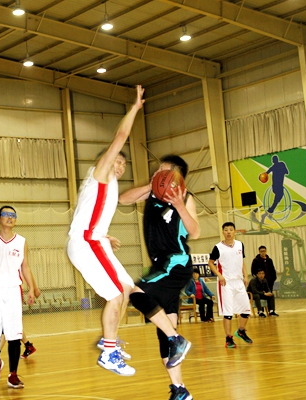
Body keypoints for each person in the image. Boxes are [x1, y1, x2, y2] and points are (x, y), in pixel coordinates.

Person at [67, 86, 145, 377]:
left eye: (124, 163)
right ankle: (109, 354)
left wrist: (104, 235)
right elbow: (121, 136)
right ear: (107, 160)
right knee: (114, 296)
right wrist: (135, 108)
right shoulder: (101, 172)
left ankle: (108, 340)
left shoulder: (110, 186)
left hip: (93, 238)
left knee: (126, 289)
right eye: (118, 160)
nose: (121, 165)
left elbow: (90, 213)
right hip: (86, 242)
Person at [119, 154, 199, 399]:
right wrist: (149, 185)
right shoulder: (153, 193)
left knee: (136, 293)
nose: (157, 172)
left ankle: (177, 339)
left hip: (175, 262)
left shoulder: (186, 197)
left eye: (162, 170)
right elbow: (123, 199)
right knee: (164, 329)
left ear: (176, 175)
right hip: (161, 264)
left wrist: (180, 206)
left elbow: (195, 232)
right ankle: (180, 389)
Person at [0, 205, 36, 389]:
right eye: (6, 214)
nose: (10, 218)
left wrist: (31, 288)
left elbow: (25, 266)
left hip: (13, 291)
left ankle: (13, 375)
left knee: (13, 336)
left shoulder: (21, 241)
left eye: (13, 215)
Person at [208, 222, 253, 349]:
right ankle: (228, 338)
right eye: (226, 230)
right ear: (223, 232)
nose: (228, 232)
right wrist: (219, 275)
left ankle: (241, 331)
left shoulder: (239, 245)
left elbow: (242, 261)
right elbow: (210, 263)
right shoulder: (218, 247)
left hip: (239, 281)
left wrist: (246, 276)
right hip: (225, 283)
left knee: (246, 310)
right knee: (228, 313)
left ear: (234, 231)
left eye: (231, 230)